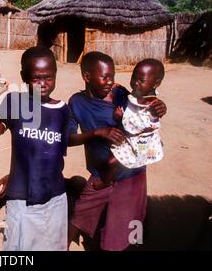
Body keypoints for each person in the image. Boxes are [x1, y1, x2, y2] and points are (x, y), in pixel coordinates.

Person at [67, 52, 167, 251]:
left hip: (131, 175)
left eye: (112, 75)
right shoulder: (77, 102)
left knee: (129, 230)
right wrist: (97, 133)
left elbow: (147, 102)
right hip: (99, 175)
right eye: (104, 76)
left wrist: (159, 107)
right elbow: (68, 139)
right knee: (80, 214)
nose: (110, 81)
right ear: (87, 77)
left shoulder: (121, 94)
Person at [0, 46, 71, 251]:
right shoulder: (15, 102)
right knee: (19, 247)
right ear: (24, 76)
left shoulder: (62, 110)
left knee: (52, 245)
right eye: (36, 78)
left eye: (49, 77)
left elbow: (55, 155)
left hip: (55, 196)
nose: (43, 84)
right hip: (22, 197)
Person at [107, 59, 165, 176]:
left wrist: (120, 118)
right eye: (134, 77)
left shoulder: (152, 104)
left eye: (141, 80)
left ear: (156, 83)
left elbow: (139, 126)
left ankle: (106, 182)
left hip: (140, 142)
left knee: (113, 161)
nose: (135, 83)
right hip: (132, 138)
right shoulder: (135, 95)